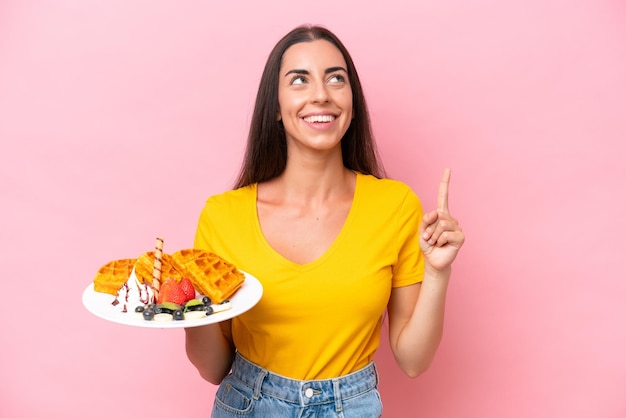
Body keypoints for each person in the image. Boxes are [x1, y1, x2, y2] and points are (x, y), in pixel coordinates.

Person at [185, 24, 465, 417]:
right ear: (275, 108)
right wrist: (185, 306)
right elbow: (213, 368)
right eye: (299, 80)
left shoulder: (396, 206)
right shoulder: (222, 215)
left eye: (336, 78)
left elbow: (413, 361)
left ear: (352, 101)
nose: (321, 94)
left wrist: (437, 274)